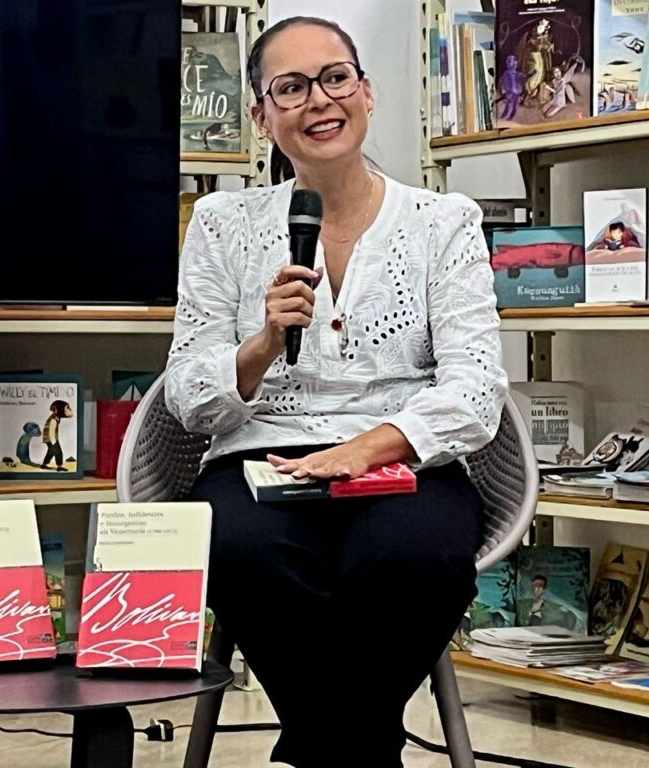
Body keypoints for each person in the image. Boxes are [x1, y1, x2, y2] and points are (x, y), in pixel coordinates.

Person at [165, 16, 506, 768]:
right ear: (262, 116)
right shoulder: (222, 224)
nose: (319, 100)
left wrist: (368, 448)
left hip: (404, 459)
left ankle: (328, 753)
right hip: (261, 459)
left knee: (413, 556)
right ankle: (363, 753)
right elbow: (188, 396)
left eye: (334, 78)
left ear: (366, 91)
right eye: (290, 88)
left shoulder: (443, 222)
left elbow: (478, 387)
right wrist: (261, 343)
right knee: (245, 548)